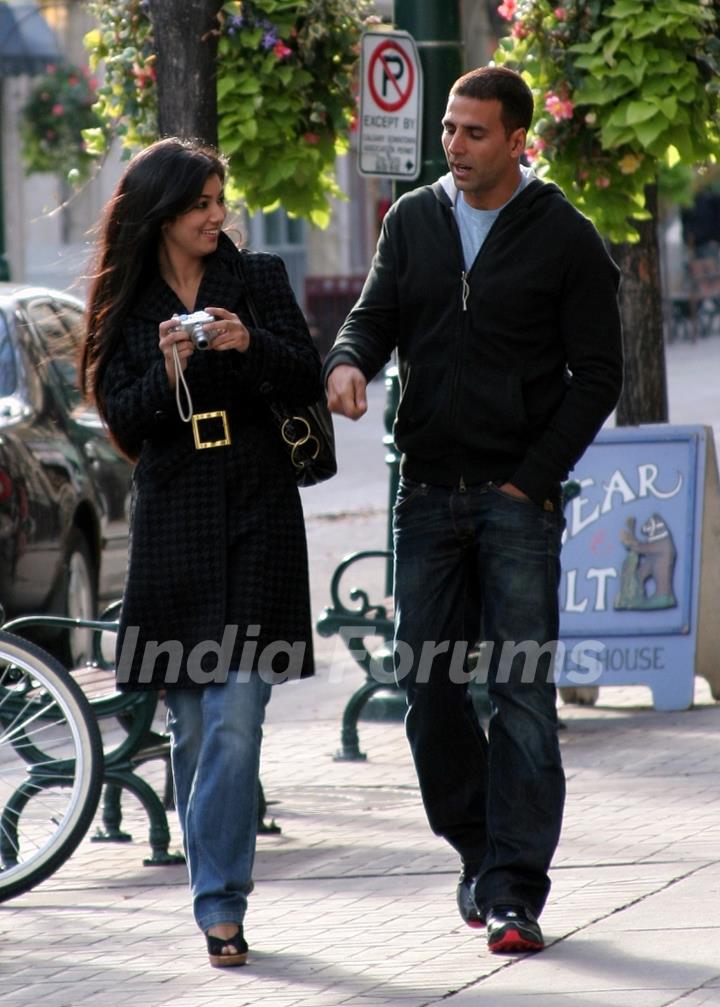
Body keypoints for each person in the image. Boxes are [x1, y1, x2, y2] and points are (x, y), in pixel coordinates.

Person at [323, 66, 623, 954]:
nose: (453, 146)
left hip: (513, 503)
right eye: (448, 130)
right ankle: (480, 848)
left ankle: (514, 891)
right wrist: (347, 362)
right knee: (428, 689)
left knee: (522, 694)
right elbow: (373, 318)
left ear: (518, 138)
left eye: (474, 133)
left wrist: (531, 478)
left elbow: (598, 375)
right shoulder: (414, 219)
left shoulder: (565, 236)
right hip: (425, 494)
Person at [80, 138, 322, 967]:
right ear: (163, 214)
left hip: (257, 501)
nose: (218, 216)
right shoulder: (127, 299)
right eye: (201, 205)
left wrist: (246, 344)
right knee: (192, 723)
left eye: (221, 200)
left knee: (236, 714)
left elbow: (307, 373)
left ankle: (222, 903)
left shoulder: (256, 281)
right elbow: (122, 418)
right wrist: (167, 363)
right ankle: (211, 893)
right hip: (177, 508)